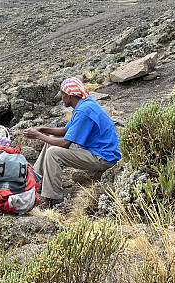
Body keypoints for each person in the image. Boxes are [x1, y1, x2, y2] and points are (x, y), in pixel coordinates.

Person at [23, 77, 121, 208]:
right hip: (95, 150)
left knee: (54, 153)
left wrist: (39, 136)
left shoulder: (83, 111)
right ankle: (35, 180)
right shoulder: (84, 103)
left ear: (68, 96)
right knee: (51, 142)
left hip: (103, 157)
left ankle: (54, 199)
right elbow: (65, 130)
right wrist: (41, 129)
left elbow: (65, 144)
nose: (61, 97)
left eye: (62, 94)